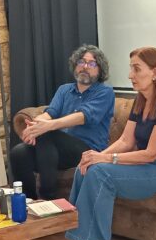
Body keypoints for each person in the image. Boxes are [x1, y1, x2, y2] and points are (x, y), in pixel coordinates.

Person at [64, 47, 156, 240]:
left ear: (155, 72)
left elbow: (151, 154)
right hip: (148, 163)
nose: (130, 75)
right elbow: (125, 140)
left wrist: (104, 159)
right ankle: (85, 239)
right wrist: (96, 157)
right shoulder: (140, 101)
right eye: (131, 69)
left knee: (100, 173)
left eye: (136, 69)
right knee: (86, 167)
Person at [10, 45, 115, 200]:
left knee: (47, 133)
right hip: (57, 150)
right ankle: (28, 201)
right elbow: (50, 113)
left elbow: (84, 116)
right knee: (19, 152)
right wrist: (35, 125)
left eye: (92, 63)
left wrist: (47, 127)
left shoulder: (105, 92)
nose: (85, 67)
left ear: (100, 70)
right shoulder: (64, 90)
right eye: (81, 62)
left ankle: (48, 198)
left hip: (87, 150)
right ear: (75, 65)